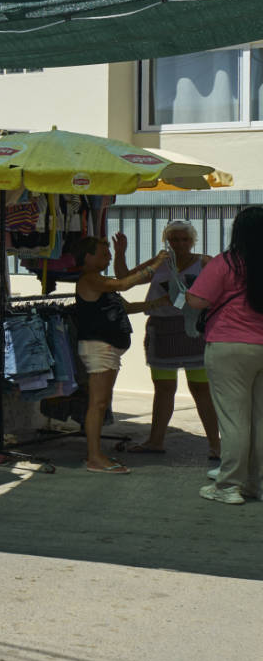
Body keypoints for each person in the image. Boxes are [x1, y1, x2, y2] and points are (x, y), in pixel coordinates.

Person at [115, 221, 220, 460]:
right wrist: (120, 253)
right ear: (167, 241)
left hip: (194, 332)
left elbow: (222, 290)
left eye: (184, 240)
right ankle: (156, 440)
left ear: (192, 241)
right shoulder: (159, 262)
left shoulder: (205, 262)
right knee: (163, 389)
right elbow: (123, 277)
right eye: (174, 240)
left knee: (201, 389)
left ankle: (216, 444)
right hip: (161, 330)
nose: (179, 244)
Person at [187, 206, 263, 504]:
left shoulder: (226, 263)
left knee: (234, 419)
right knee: (260, 420)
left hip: (229, 345)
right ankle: (256, 484)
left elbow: (196, 301)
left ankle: (228, 485)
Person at [70, 234, 163, 474]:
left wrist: (157, 303)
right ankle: (94, 457)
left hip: (107, 348)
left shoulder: (101, 281)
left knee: (101, 402)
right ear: (88, 257)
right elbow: (124, 284)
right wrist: (156, 264)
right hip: (99, 348)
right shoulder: (90, 279)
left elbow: (126, 307)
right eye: (104, 253)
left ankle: (96, 454)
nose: (109, 257)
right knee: (98, 403)